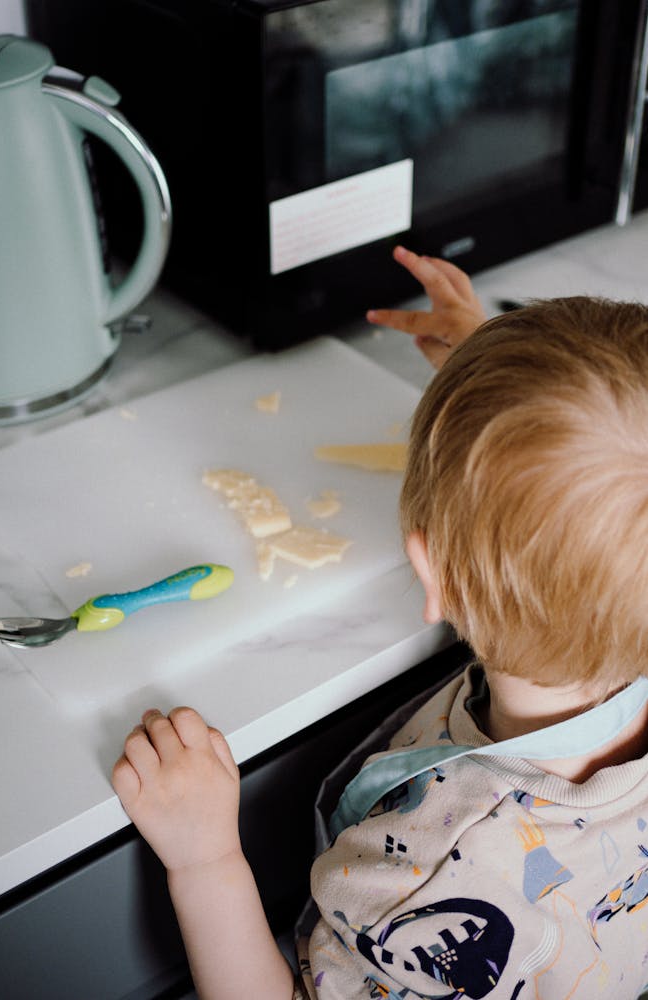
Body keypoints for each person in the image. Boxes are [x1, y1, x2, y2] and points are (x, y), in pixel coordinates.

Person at [112, 246, 648, 999]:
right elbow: (612, 486)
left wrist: (205, 859)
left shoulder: (427, 886)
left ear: (434, 575)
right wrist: (493, 381)